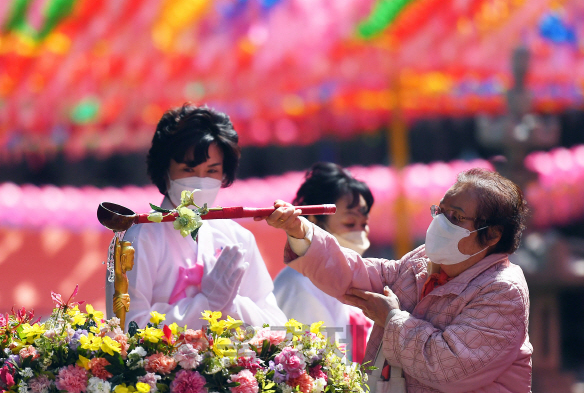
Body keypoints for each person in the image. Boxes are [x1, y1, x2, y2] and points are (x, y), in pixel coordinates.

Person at [260, 168, 532, 392]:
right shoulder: (422, 261)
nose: (440, 223)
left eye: (456, 217)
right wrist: (300, 232)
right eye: (440, 211)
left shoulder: (502, 290)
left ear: (493, 234)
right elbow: (356, 275)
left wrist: (391, 320)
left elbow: (449, 367)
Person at [120, 103, 287, 330]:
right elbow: (127, 326)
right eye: (188, 170)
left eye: (211, 171)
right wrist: (206, 304)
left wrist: (231, 305)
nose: (200, 181)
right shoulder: (139, 239)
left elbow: (276, 325)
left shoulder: (238, 238)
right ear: (164, 170)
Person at [273, 162, 374, 363]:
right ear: (314, 221)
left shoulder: (353, 277)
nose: (360, 233)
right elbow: (318, 371)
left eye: (364, 224)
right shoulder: (300, 283)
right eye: (350, 223)